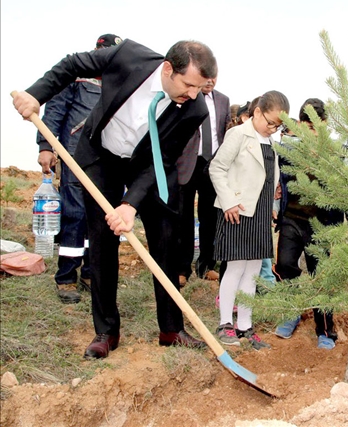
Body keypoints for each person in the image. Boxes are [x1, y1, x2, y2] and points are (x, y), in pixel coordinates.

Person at [13, 39, 217, 359]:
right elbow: (72, 65)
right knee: (103, 241)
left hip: (148, 167)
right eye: (189, 85)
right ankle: (106, 330)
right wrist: (35, 94)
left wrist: (130, 204)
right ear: (168, 69)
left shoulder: (194, 108)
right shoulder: (127, 57)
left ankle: (171, 328)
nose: (193, 94)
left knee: (167, 239)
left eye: (200, 87)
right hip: (102, 157)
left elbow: (161, 160)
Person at [37, 34, 122, 304]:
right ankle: (66, 277)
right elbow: (55, 112)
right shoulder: (76, 76)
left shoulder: (118, 82)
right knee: (75, 215)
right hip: (75, 156)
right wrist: (45, 147)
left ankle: (90, 272)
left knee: (98, 220)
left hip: (106, 160)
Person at [209, 90, 289, 350]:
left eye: (278, 126)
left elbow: (267, 177)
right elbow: (216, 168)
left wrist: (273, 201)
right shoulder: (238, 135)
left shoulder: (271, 143)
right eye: (270, 122)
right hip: (238, 211)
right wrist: (229, 200)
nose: (273, 129)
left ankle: (245, 325)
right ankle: (225, 324)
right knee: (235, 268)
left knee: (253, 272)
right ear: (256, 112)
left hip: (261, 213)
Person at [273, 98, 344, 349]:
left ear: (325, 124)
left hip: (321, 224)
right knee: (284, 266)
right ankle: (291, 312)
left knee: (320, 275)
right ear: (300, 124)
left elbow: (344, 191)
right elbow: (276, 181)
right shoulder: (288, 150)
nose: (313, 132)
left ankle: (325, 330)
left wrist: (347, 229)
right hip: (292, 219)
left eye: (318, 126)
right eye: (308, 126)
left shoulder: (336, 153)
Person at [176, 77, 230, 287]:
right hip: (188, 162)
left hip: (213, 165)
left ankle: (206, 265)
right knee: (184, 216)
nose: (210, 81)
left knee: (210, 217)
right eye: (206, 76)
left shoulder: (223, 100)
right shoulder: (187, 97)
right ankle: (182, 267)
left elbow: (224, 133)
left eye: (214, 76)